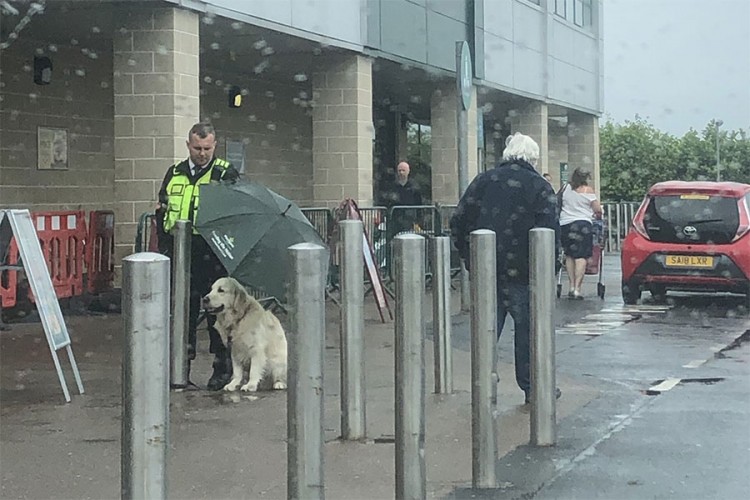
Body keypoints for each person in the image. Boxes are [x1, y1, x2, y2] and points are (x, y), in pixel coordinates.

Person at [450, 132, 560, 404]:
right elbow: (550, 231)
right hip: (525, 271)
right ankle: (532, 387)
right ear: (533, 158)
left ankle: (483, 384)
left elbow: (459, 221)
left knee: (486, 331)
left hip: (487, 268)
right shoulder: (539, 186)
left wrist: (469, 257)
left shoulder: (483, 181)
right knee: (528, 333)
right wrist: (549, 268)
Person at [157, 122, 240, 390]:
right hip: (181, 252)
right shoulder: (175, 173)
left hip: (213, 253)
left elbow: (235, 213)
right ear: (188, 146)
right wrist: (164, 249)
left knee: (218, 313)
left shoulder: (225, 173)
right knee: (183, 312)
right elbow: (162, 211)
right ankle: (180, 369)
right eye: (197, 148)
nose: (202, 154)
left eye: (206, 148)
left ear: (214, 146)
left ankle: (222, 369)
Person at [558, 167, 602, 300]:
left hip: (565, 224)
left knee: (569, 255)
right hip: (582, 226)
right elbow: (597, 209)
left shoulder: (565, 188)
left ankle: (571, 286)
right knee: (581, 257)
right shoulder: (588, 190)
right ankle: (577, 288)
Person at [382, 161, 423, 236]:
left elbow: (419, 204)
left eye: (403, 170)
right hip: (395, 219)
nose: (401, 173)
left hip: (410, 219)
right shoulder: (392, 186)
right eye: (399, 170)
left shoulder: (414, 187)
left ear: (408, 171)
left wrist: (418, 221)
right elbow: (388, 203)